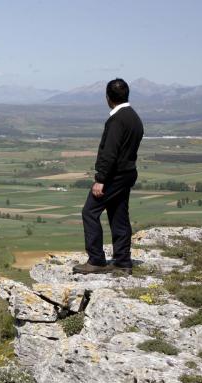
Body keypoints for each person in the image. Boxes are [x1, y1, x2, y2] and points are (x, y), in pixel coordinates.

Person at [73, 78, 144, 275]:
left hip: (114, 176)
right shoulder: (134, 118)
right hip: (128, 173)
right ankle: (122, 261)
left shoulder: (117, 120)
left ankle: (96, 260)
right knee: (119, 215)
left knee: (90, 212)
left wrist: (101, 179)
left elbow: (110, 152)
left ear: (108, 98)